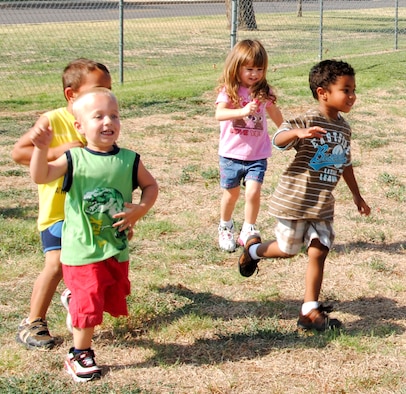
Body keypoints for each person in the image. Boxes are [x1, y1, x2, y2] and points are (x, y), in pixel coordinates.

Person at [29, 87, 159, 382]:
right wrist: (40, 149)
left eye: (114, 115)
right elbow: (41, 176)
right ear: (79, 126)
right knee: (89, 304)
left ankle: (75, 299)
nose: (107, 122)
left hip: (115, 248)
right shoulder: (74, 159)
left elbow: (151, 187)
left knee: (113, 294)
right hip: (80, 250)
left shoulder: (129, 160)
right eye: (98, 116)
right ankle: (80, 353)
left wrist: (140, 209)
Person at [238, 59, 371, 331]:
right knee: (288, 250)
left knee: (320, 250)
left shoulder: (344, 128)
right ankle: (252, 250)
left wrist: (357, 196)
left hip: (322, 203)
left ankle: (309, 309)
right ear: (323, 93)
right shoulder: (309, 119)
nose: (352, 96)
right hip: (295, 200)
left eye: (353, 90)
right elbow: (278, 138)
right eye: (346, 90)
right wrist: (298, 132)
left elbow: (345, 162)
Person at [12, 58, 112, 350]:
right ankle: (33, 322)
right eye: (97, 89)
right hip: (57, 211)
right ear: (72, 94)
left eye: (108, 89)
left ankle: (75, 296)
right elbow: (19, 152)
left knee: (95, 265)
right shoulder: (53, 120)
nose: (104, 95)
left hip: (89, 213)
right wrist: (58, 149)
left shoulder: (101, 119)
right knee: (55, 264)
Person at [215, 39, 283, 252]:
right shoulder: (230, 90)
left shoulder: (264, 92)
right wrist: (242, 111)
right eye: (249, 69)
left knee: (253, 191)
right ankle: (225, 226)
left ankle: (248, 228)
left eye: (259, 69)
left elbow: (275, 115)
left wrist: (288, 132)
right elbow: (220, 114)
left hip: (257, 154)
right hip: (231, 154)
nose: (254, 74)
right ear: (237, 67)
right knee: (231, 194)